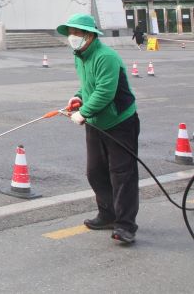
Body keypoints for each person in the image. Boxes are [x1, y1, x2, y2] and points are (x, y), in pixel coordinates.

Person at [57, 13, 139, 245]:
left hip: (120, 122)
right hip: (96, 123)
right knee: (96, 172)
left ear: (90, 35)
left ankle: (125, 226)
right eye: (70, 33)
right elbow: (89, 86)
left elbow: (105, 92)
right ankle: (108, 214)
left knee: (122, 174)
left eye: (76, 33)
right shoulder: (80, 56)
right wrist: (78, 97)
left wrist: (83, 113)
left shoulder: (106, 57)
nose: (72, 37)